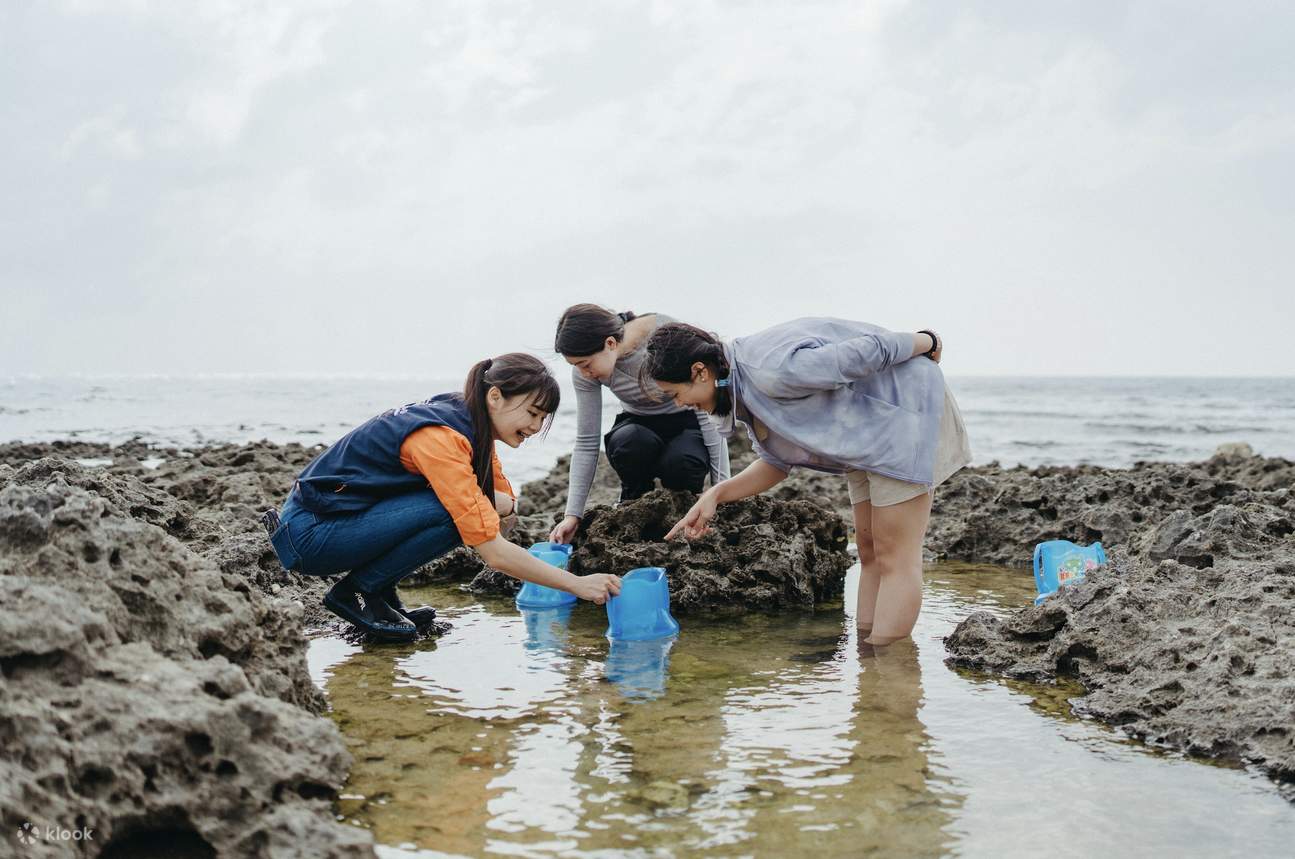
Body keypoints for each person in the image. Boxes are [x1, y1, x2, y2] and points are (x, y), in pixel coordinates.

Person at [641, 319, 971, 646]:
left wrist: (928, 340)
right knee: (870, 553)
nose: (679, 404)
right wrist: (715, 495)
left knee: (895, 556)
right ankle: (869, 665)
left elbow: (871, 350)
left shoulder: (774, 370)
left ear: (700, 371)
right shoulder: (742, 385)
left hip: (905, 412)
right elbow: (774, 464)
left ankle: (889, 671)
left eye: (675, 393)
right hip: (864, 435)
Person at [266, 353, 621, 641]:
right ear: (495, 397)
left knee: (467, 505)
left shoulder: (471, 419)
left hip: (338, 520)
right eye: (531, 413)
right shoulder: (442, 437)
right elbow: (494, 552)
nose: (535, 427)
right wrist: (578, 585)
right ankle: (358, 593)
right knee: (452, 511)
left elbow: (504, 499)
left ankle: (378, 593)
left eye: (542, 418)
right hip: (310, 535)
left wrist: (492, 504)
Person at [548, 304, 730, 545]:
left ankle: (684, 502)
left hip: (687, 420)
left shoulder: (668, 337)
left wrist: (721, 496)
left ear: (610, 343)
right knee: (630, 443)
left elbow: (710, 415)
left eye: (585, 364)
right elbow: (586, 442)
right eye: (576, 367)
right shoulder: (587, 373)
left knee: (681, 462)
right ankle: (633, 499)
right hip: (637, 425)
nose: (584, 373)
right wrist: (573, 515)